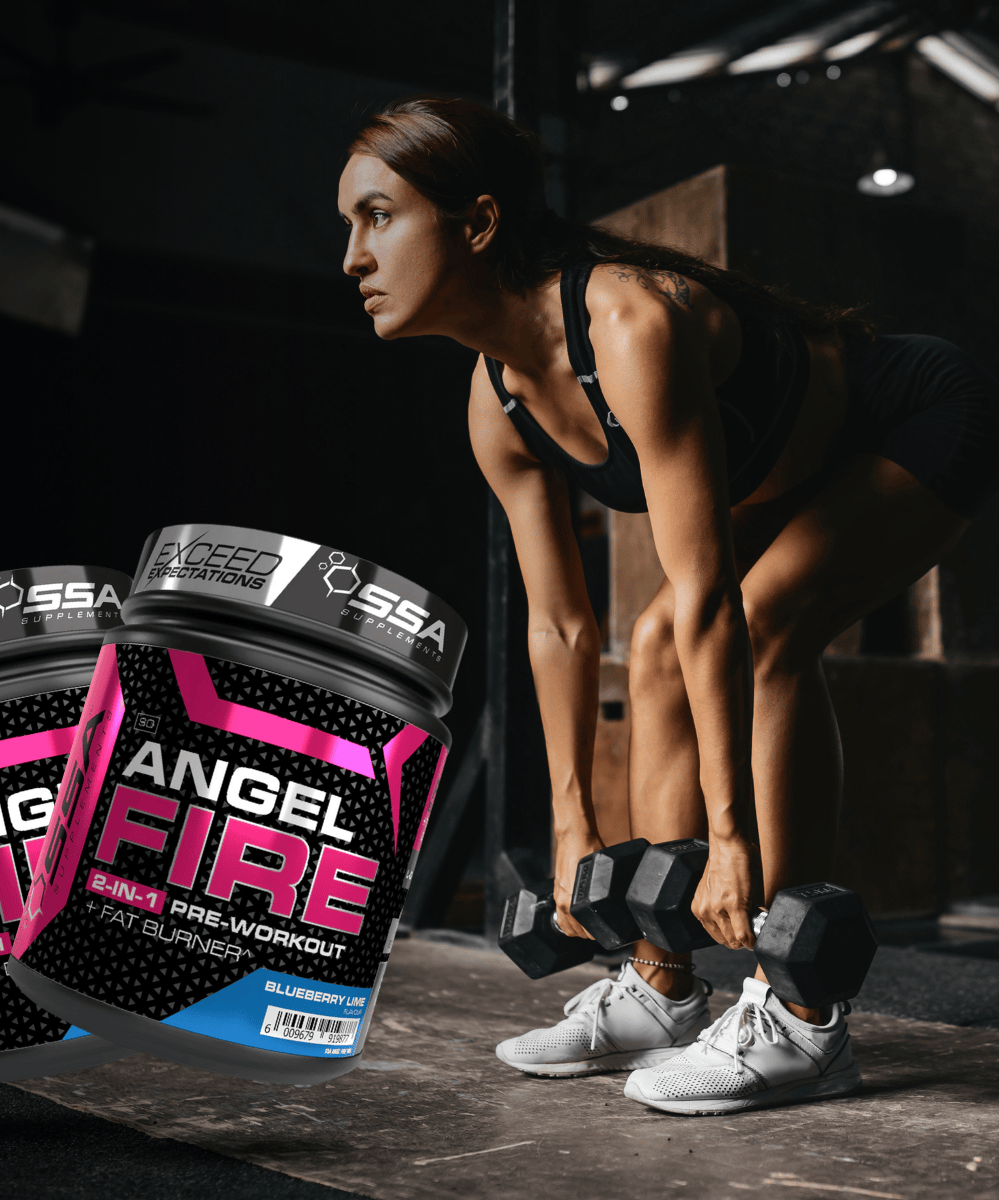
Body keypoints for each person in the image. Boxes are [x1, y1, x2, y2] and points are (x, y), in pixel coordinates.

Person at [337, 96, 998, 1115]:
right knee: (649, 650)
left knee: (767, 630)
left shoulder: (627, 324)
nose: (353, 257)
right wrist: (572, 829)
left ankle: (804, 1017)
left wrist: (731, 844)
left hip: (915, 416)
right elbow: (561, 626)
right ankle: (660, 985)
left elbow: (709, 603)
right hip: (794, 470)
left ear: (477, 222)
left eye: (377, 216)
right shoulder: (496, 401)